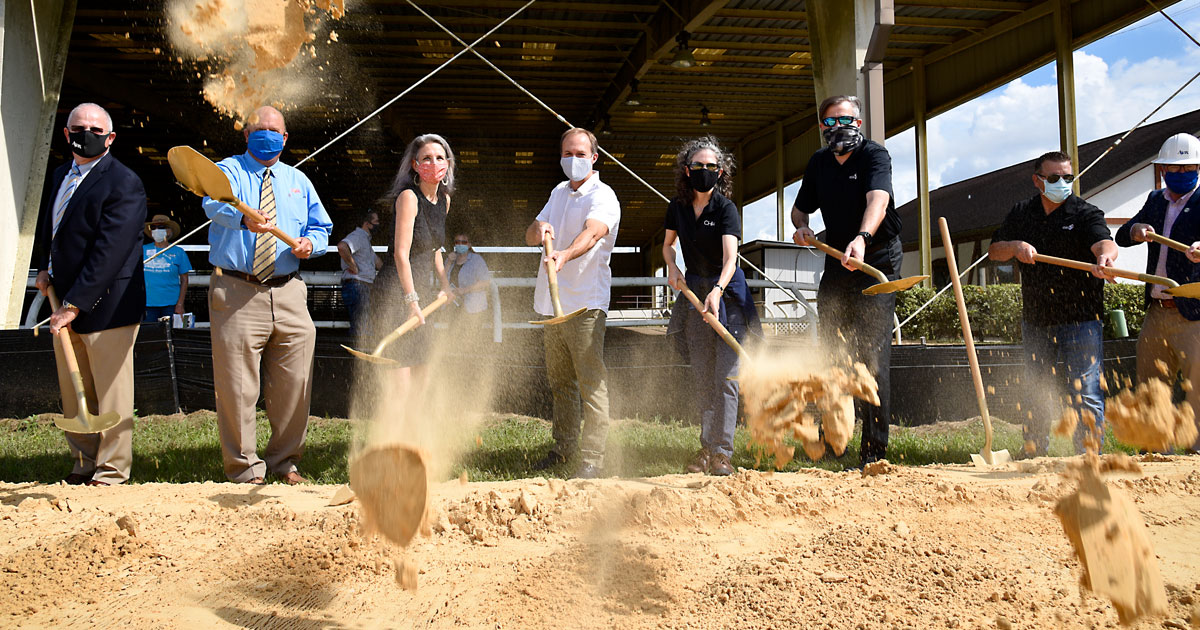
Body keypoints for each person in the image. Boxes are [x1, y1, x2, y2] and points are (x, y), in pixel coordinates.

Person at [202, 105, 332, 485]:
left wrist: (312, 243)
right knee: (237, 385)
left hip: (289, 290)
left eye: (275, 129)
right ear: (246, 135)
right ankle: (244, 469)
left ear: (285, 138)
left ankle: (285, 462)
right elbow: (212, 203)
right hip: (237, 289)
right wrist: (242, 218)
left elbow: (321, 226)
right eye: (260, 128)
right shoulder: (228, 171)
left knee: (295, 382)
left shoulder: (298, 180)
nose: (268, 134)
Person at [32, 102, 147, 486]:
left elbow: (110, 250)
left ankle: (112, 470)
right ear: (67, 134)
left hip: (109, 304)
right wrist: (44, 266)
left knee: (110, 391)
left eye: (96, 130)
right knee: (74, 386)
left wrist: (75, 303)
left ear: (110, 138)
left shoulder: (123, 182)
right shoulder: (60, 174)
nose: (87, 134)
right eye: (79, 128)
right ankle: (83, 462)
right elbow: (50, 227)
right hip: (62, 299)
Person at [790, 95, 903, 468]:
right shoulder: (819, 163)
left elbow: (878, 200)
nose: (840, 128)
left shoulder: (875, 156)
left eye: (847, 120)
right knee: (834, 353)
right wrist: (802, 227)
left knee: (871, 357)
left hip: (876, 259)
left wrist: (862, 238)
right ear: (822, 128)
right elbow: (799, 208)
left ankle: (874, 451)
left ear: (859, 122)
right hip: (837, 261)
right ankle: (833, 441)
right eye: (832, 122)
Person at [989, 150, 1118, 455]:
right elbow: (995, 250)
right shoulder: (1022, 213)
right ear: (1038, 180)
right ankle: (1034, 450)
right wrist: (1015, 247)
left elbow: (1105, 242)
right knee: (1035, 388)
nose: (1062, 182)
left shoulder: (1084, 212)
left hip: (1082, 318)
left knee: (1085, 390)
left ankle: (1087, 455)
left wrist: (1106, 257)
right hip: (1037, 318)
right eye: (1054, 177)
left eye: (1067, 177)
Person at [525, 127, 621, 479]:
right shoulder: (558, 192)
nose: (574, 160)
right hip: (553, 304)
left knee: (590, 382)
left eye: (581, 154)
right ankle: (563, 449)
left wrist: (564, 254)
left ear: (594, 158)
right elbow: (532, 232)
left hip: (584, 304)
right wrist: (539, 231)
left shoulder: (604, 196)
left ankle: (593, 458)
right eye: (568, 154)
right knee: (561, 382)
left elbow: (594, 232)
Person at [663, 136, 761, 476]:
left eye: (710, 167)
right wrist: (672, 267)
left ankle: (723, 453)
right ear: (686, 171)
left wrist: (717, 291)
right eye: (697, 166)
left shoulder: (725, 209)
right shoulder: (677, 206)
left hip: (728, 295)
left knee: (725, 378)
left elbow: (731, 258)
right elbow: (667, 246)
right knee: (703, 376)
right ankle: (705, 449)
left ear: (720, 173)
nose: (703, 171)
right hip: (693, 290)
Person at [1115, 133, 1200, 452]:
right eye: (1173, 169)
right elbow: (1124, 234)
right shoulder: (1154, 201)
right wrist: (1136, 231)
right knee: (1151, 385)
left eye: (1187, 168)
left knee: (1198, 389)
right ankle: (1154, 449)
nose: (1179, 175)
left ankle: (1195, 453)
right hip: (1157, 311)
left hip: (1194, 314)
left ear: (1198, 167)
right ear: (1163, 169)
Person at [384, 134, 455, 405]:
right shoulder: (408, 198)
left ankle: (415, 436)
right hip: (398, 291)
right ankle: (393, 440)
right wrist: (411, 300)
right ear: (414, 165)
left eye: (439, 158)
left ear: (447, 164)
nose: (433, 163)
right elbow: (401, 254)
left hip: (421, 293)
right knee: (401, 374)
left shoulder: (444, 201)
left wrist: (445, 284)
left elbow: (435, 248)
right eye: (426, 158)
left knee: (423, 371)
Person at [337, 210, 383, 340]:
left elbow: (377, 262)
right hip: (358, 285)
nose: (378, 225)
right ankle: (359, 356)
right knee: (362, 326)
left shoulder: (365, 242)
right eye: (376, 222)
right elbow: (342, 247)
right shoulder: (358, 236)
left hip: (361, 286)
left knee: (362, 324)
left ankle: (360, 353)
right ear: (367, 223)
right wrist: (353, 266)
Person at [142, 214, 192, 322]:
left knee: (170, 335)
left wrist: (180, 304)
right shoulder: (142, 250)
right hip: (147, 304)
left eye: (161, 227)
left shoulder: (179, 252)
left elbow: (184, 280)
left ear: (169, 231)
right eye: (153, 228)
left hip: (171, 304)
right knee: (149, 336)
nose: (156, 230)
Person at [445, 232, 492, 338]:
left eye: (463, 242)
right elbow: (442, 279)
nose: (460, 245)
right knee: (453, 337)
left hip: (474, 306)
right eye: (457, 242)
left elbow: (485, 282)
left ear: (469, 245)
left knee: (472, 337)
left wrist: (465, 290)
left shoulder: (476, 260)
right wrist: (448, 263)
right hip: (454, 306)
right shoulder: (450, 260)